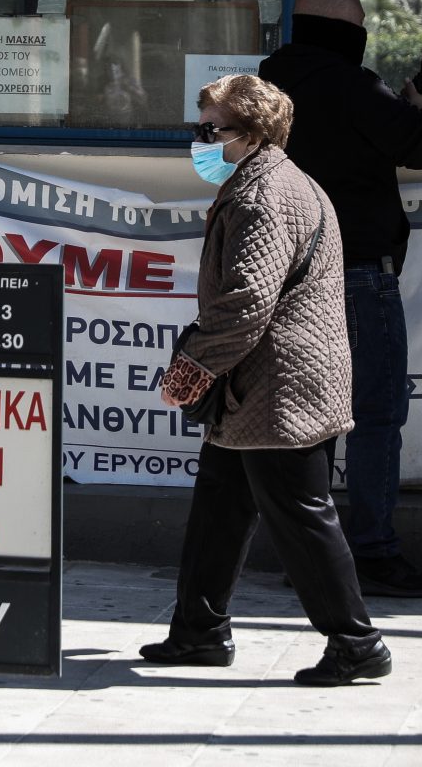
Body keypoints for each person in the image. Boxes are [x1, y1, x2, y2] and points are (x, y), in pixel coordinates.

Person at [140, 74, 391, 687]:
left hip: (277, 387)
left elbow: (245, 304)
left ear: (251, 135)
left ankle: (357, 644)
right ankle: (198, 632)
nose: (199, 141)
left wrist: (189, 371)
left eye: (211, 130)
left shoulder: (263, 197)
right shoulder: (276, 181)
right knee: (220, 507)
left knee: (301, 515)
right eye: (198, 127)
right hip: (259, 385)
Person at [259, 0, 422, 598]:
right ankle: (371, 554)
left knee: (306, 421)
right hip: (358, 272)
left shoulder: (262, 86)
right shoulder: (353, 85)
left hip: (284, 277)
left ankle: (309, 557)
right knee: (374, 415)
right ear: (350, 33)